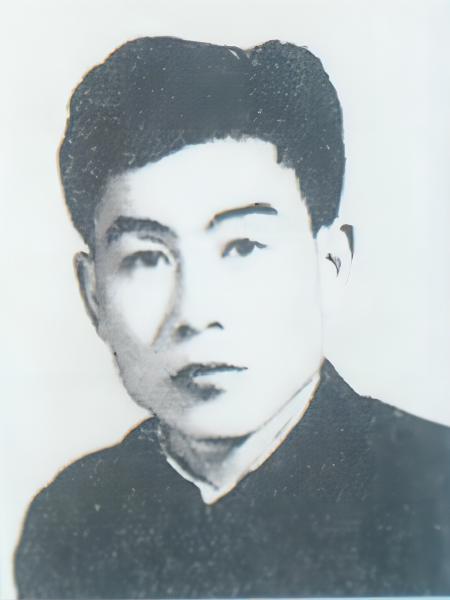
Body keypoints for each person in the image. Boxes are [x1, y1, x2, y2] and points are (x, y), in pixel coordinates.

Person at [14, 37, 450, 599]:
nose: (196, 313)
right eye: (146, 257)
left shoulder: (433, 496)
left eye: (243, 246)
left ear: (331, 265)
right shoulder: (69, 525)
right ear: (93, 294)